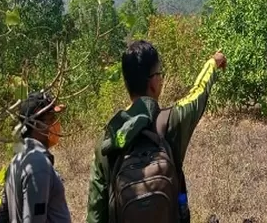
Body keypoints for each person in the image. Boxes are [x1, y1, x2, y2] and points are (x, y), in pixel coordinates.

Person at [85, 40, 226, 223]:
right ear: (152, 82)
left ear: (127, 83)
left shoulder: (108, 138)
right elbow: (198, 93)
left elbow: (96, 210)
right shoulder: (172, 122)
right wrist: (213, 63)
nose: (161, 78)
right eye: (159, 73)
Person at [0, 91, 72, 223]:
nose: (56, 124)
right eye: (51, 119)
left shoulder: (17, 161)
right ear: (36, 124)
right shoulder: (38, 164)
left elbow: (2, 216)